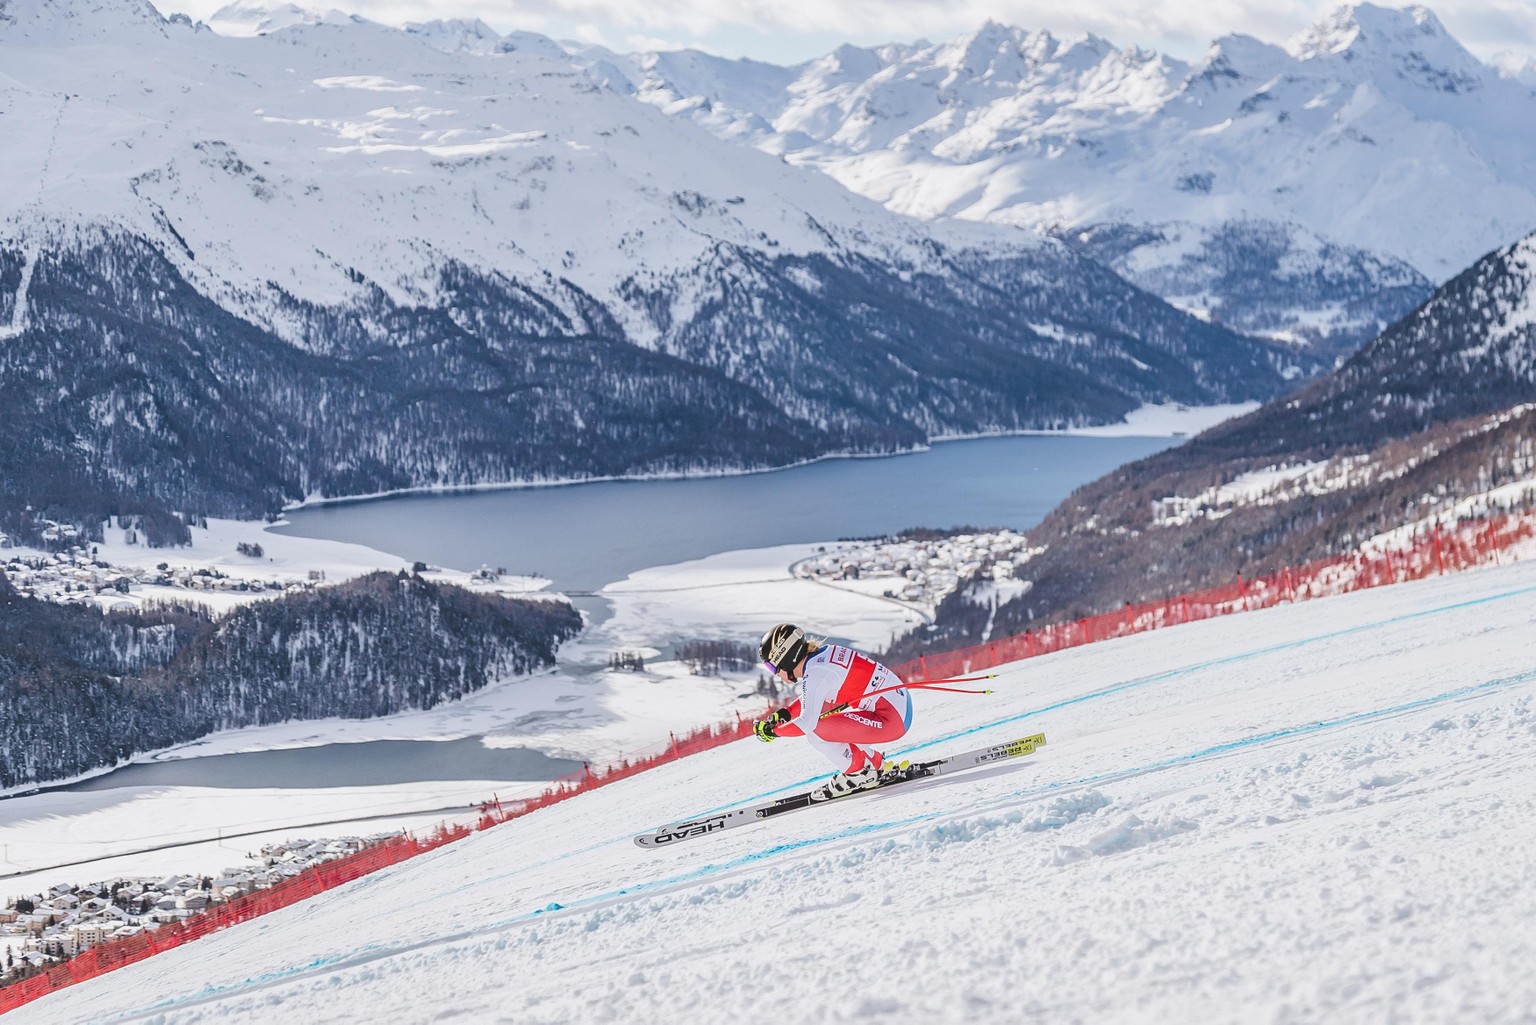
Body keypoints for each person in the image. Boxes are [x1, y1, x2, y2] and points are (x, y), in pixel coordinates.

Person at [752, 623, 913, 800]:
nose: (775, 674)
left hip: (893, 720)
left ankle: (858, 774)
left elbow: (807, 722)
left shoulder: (816, 673)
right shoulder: (823, 656)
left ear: (785, 658)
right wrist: (786, 714)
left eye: (773, 667)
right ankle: (874, 764)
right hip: (898, 706)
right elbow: (816, 695)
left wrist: (773, 732)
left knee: (816, 733)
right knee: (834, 725)